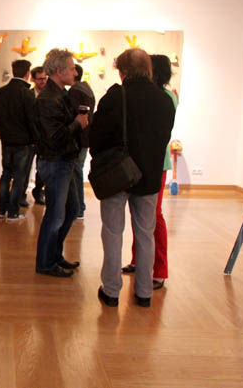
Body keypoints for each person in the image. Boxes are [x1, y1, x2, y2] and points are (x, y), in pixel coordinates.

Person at [90, 48, 175, 307]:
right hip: (149, 177)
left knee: (112, 233)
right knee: (146, 234)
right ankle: (144, 293)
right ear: (147, 68)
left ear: (122, 70)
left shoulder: (116, 96)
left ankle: (111, 291)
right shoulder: (164, 100)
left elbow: (96, 137)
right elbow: (163, 138)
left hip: (117, 175)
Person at [121, 54, 179, 290]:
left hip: (156, 163)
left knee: (153, 215)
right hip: (140, 162)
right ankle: (139, 260)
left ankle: (160, 270)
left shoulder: (165, 97)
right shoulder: (152, 94)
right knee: (140, 214)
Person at [34, 49, 88, 277]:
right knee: (55, 215)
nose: (75, 72)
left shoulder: (60, 95)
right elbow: (55, 137)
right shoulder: (48, 99)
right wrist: (77, 123)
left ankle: (54, 255)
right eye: (72, 68)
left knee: (72, 209)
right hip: (56, 161)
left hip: (65, 161)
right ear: (59, 71)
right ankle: (45, 263)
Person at [0, 59, 37, 222]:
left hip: (6, 140)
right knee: (19, 177)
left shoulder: (0, 93)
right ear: (27, 74)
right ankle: (13, 212)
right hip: (23, 142)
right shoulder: (27, 94)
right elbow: (32, 120)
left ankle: (1, 209)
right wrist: (35, 139)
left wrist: (4, 132)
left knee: (6, 174)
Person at [68, 64, 95, 219]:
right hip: (85, 137)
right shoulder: (86, 89)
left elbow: (75, 116)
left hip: (78, 137)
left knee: (75, 171)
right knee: (77, 170)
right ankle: (78, 207)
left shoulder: (75, 91)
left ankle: (78, 208)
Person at [28, 66, 47, 205]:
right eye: (40, 79)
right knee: (25, 167)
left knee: (41, 168)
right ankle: (21, 194)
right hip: (29, 137)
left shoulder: (49, 95)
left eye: (44, 78)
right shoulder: (28, 95)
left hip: (44, 137)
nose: (43, 81)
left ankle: (39, 191)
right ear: (33, 79)